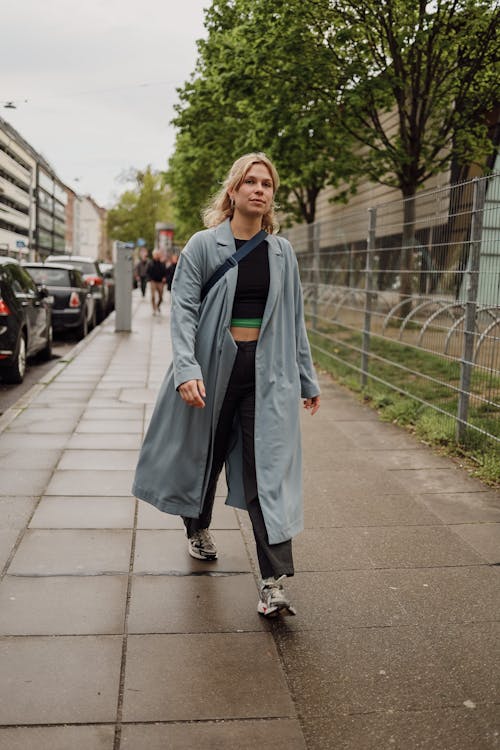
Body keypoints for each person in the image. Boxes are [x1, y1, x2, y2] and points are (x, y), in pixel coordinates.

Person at [132, 152, 320, 617]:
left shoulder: (282, 251)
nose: (260, 189)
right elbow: (184, 312)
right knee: (207, 454)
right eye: (251, 182)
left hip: (267, 372)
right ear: (232, 191)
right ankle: (197, 527)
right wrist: (186, 370)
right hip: (213, 368)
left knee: (265, 471)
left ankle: (274, 582)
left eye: (267, 184)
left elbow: (295, 321)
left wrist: (305, 376)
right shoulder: (201, 246)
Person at [146, 249, 167, 315]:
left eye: (158, 254)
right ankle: (154, 309)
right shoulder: (150, 263)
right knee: (153, 296)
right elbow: (147, 272)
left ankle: (158, 306)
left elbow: (165, 272)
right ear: (153, 255)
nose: (157, 256)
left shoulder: (162, 263)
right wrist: (149, 279)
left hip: (160, 282)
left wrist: (164, 277)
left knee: (161, 297)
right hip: (153, 281)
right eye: (155, 254)